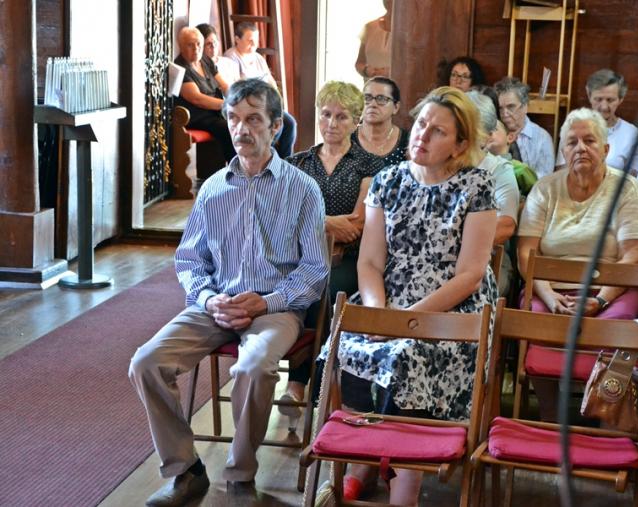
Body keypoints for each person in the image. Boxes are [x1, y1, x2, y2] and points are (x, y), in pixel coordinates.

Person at [129, 78, 330, 507]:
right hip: (217, 305)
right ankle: (185, 471)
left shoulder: (302, 189)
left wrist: (267, 301)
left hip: (276, 308)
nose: (241, 129)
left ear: (276, 126)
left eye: (253, 119)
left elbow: (315, 270)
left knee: (253, 368)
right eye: (234, 119)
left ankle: (240, 476)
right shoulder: (213, 188)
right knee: (146, 362)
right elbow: (189, 260)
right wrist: (209, 300)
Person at [333, 86, 498, 504]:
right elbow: (370, 263)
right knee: (344, 347)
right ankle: (362, 459)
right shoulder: (388, 181)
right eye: (421, 123)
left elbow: (470, 275)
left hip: (454, 311)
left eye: (438, 131)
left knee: (409, 355)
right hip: (389, 300)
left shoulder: (476, 185)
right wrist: (379, 314)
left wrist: (407, 323)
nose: (422, 134)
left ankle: (404, 479)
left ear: (459, 145)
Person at [283, 82, 384, 419]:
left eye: (341, 117)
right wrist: (327, 222)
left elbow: (356, 225)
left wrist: (310, 219)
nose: (331, 123)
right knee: (298, 285)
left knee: (327, 287)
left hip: (350, 258)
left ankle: (310, 385)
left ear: (356, 121)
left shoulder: (369, 166)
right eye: (326, 114)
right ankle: (305, 383)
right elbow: (284, 219)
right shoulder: (298, 163)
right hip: (300, 256)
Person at [518, 108, 638, 318]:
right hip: (551, 289)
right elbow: (526, 253)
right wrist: (549, 296)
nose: (580, 148)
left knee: (614, 323)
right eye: (572, 143)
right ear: (564, 153)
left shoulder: (627, 188)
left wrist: (601, 299)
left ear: (606, 149)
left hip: (613, 290)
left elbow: (634, 254)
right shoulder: (544, 189)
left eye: (589, 141)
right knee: (535, 320)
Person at [466, 89, 520, 295]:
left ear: (488, 136)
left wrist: (458, 244)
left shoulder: (498, 169)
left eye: (473, 130)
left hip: (487, 257)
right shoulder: (436, 163)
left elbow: (506, 225)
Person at [223, 21, 297, 158]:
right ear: (237, 39)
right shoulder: (231, 57)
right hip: (249, 107)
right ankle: (264, 158)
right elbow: (235, 90)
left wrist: (277, 103)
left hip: (266, 104)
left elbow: (271, 82)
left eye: (256, 41)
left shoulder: (258, 57)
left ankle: (286, 162)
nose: (254, 45)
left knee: (290, 123)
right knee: (273, 127)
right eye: (250, 41)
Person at [556, 69, 638, 174]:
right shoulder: (571, 127)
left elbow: (634, 176)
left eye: (610, 100)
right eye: (598, 99)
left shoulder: (631, 133)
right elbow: (561, 173)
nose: (604, 107)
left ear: (621, 99)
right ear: (589, 96)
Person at [174, 26, 236, 162]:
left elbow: (223, 84)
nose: (196, 48)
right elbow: (197, 99)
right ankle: (238, 168)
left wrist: (237, 98)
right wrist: (227, 104)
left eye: (198, 44)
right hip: (198, 116)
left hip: (216, 113)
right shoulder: (180, 67)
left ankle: (255, 165)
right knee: (229, 127)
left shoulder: (205, 60)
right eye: (190, 45)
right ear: (181, 46)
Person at [494, 76, 555, 178]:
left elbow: (545, 178)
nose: (505, 114)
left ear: (525, 106)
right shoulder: (493, 134)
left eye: (511, 107)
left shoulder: (542, 138)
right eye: (500, 108)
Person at [351, 76, 409, 168]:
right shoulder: (347, 138)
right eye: (367, 98)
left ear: (396, 107)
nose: (372, 104)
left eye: (381, 99)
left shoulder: (408, 142)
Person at [355, 0, 392, 80]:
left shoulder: (411, 32)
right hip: (372, 86)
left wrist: (391, 72)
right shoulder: (369, 27)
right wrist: (366, 70)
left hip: (399, 87)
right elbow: (359, 63)